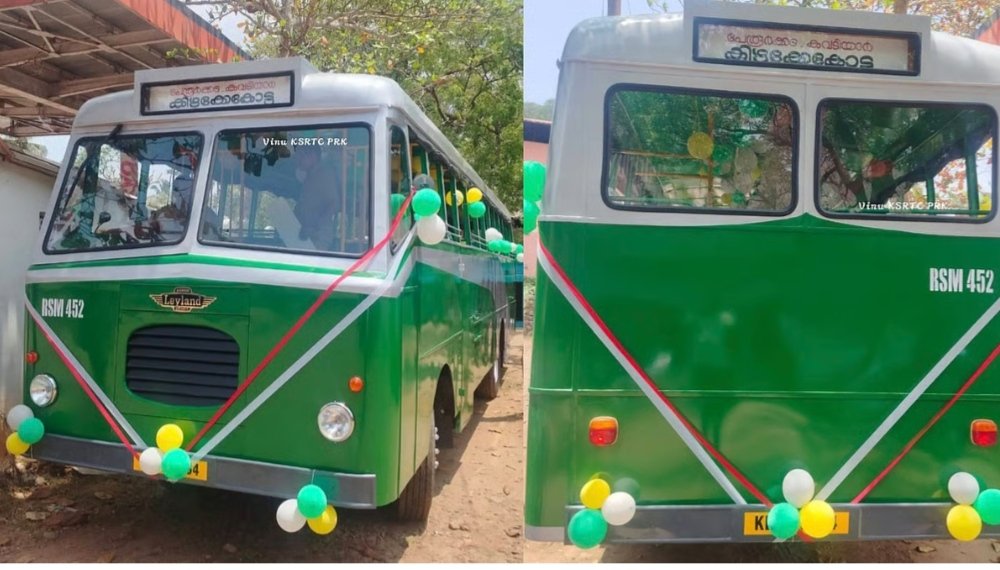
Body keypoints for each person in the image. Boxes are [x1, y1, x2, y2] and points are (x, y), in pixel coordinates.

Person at [292, 145, 339, 250]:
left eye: (300, 156)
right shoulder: (308, 177)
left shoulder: (325, 174)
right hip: (305, 234)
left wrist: (316, 227)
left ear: (312, 156)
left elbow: (334, 203)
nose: (297, 160)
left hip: (318, 237)